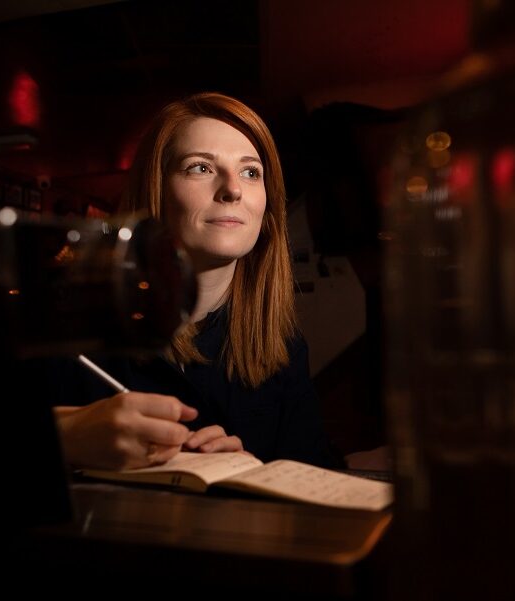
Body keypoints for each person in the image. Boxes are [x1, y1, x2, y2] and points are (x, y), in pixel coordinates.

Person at [52, 92, 340, 470]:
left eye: (251, 172)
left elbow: (313, 475)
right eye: (200, 168)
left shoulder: (284, 348)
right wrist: (64, 439)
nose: (233, 189)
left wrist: (251, 473)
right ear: (155, 193)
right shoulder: (68, 326)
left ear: (267, 210)